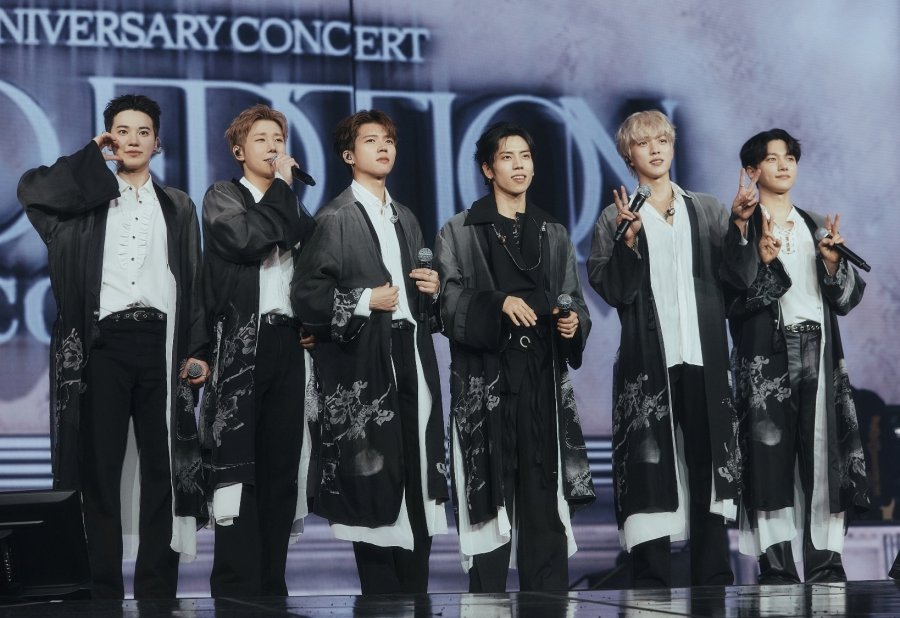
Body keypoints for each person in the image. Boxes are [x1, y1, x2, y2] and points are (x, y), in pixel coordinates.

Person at [17, 94, 208, 599]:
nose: (132, 140)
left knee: (163, 468)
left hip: (161, 344)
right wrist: (88, 158)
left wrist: (198, 349)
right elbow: (31, 191)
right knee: (99, 470)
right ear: (108, 139)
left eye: (143, 131)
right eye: (121, 131)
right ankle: (101, 585)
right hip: (102, 344)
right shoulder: (83, 202)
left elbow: (193, 280)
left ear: (157, 142)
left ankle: (156, 586)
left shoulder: (178, 205)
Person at [291, 109, 448, 594]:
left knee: (418, 468)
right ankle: (380, 598)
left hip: (411, 352)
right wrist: (363, 300)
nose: (383, 147)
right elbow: (307, 296)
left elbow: (422, 297)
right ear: (348, 155)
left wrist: (432, 287)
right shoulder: (334, 217)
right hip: (365, 358)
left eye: (389, 140)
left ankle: (417, 594)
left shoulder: (406, 217)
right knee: (374, 471)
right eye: (371, 140)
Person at [434, 121, 594, 592]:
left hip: (541, 374)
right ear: (488, 169)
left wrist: (572, 322)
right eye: (507, 157)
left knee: (543, 494)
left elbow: (573, 298)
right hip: (487, 377)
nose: (519, 165)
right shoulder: (460, 230)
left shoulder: (553, 231)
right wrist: (497, 303)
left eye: (525, 156)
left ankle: (549, 598)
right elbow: (446, 302)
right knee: (490, 491)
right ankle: (486, 599)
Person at [587, 110, 739, 588]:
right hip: (649, 361)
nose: (654, 149)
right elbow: (612, 289)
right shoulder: (614, 216)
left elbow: (737, 280)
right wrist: (628, 242)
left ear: (673, 147)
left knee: (707, 468)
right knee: (648, 464)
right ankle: (650, 580)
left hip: (702, 356)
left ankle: (713, 578)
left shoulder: (708, 209)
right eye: (642, 143)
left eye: (662, 140)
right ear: (628, 155)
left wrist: (741, 229)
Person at [724, 128, 868, 583]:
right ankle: (777, 567)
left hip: (817, 348)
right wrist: (757, 256)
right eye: (772, 158)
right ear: (752, 171)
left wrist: (831, 262)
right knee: (769, 458)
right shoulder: (741, 228)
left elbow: (846, 298)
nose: (784, 165)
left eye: (789, 157)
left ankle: (825, 563)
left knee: (823, 458)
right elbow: (733, 298)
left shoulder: (814, 224)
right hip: (767, 354)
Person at [199, 104, 317, 597]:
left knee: (281, 469)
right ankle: (235, 586)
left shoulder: (295, 207)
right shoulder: (223, 196)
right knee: (237, 467)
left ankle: (272, 584)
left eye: (278, 140)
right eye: (262, 139)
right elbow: (245, 239)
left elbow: (312, 270)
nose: (273, 148)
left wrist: (313, 322)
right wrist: (284, 191)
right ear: (238, 150)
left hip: (288, 343)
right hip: (241, 345)